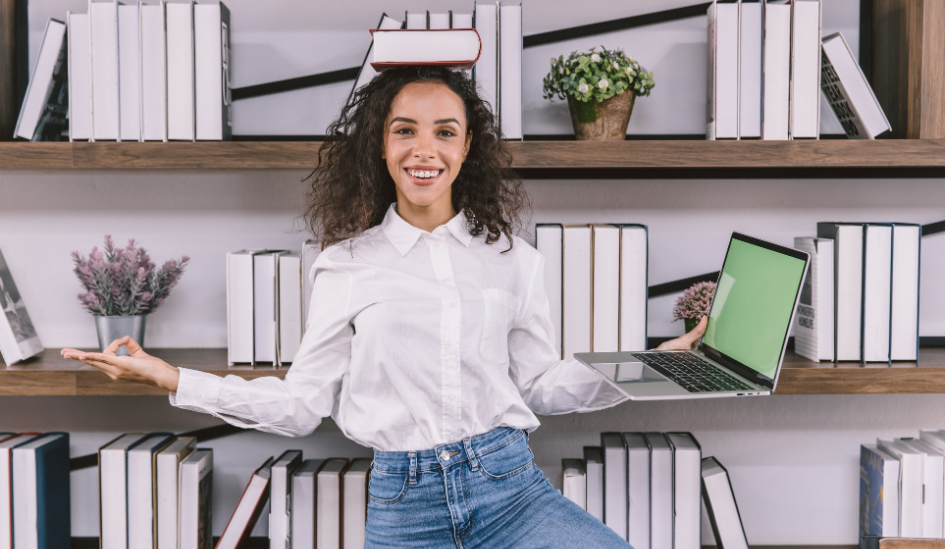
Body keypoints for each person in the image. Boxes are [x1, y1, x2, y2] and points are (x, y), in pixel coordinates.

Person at [62, 66, 707, 548]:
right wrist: (172, 377)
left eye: (444, 133)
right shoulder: (344, 265)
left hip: (512, 492)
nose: (424, 150)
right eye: (406, 131)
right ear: (382, 145)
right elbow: (298, 407)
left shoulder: (514, 259)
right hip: (405, 507)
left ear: (467, 147)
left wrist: (655, 363)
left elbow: (541, 387)